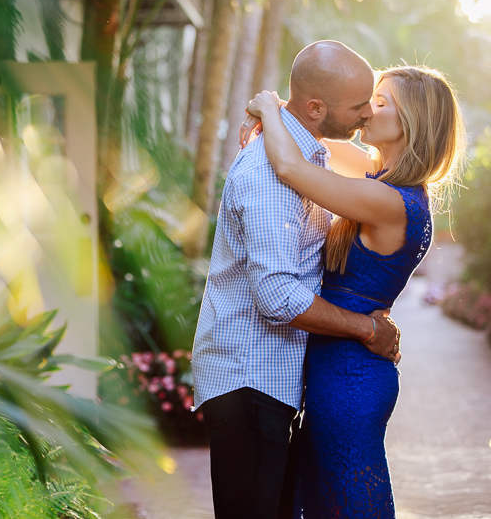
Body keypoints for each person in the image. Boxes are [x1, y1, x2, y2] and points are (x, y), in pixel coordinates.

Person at [241, 64, 466, 517]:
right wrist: (280, 112)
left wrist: (266, 103)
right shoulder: (378, 179)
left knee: (353, 506)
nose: (364, 112)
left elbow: (290, 165)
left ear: (411, 124)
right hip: (341, 370)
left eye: (378, 104)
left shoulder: (390, 202)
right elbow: (315, 138)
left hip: (350, 378)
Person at [191, 40, 401, 519]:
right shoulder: (270, 171)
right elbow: (278, 297)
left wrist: (267, 105)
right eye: (358, 105)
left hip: (270, 382)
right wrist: (367, 328)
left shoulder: (307, 154)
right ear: (315, 109)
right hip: (249, 383)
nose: (367, 114)